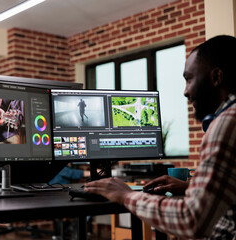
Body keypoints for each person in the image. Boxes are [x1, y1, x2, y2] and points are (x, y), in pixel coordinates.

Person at [84, 35, 236, 239]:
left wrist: (127, 195)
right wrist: (192, 187)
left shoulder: (227, 123)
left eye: (189, 79)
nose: (185, 92)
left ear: (216, 77)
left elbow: (191, 220)